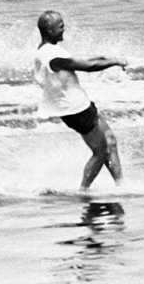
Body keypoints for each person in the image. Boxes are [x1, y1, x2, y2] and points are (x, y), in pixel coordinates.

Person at [33, 10, 128, 191]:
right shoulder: (53, 56)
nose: (64, 28)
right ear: (50, 31)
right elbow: (88, 67)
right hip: (75, 111)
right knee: (101, 151)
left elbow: (76, 62)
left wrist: (102, 58)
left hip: (78, 106)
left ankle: (121, 186)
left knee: (110, 141)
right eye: (60, 26)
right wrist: (114, 61)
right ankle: (83, 190)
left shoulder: (47, 50)